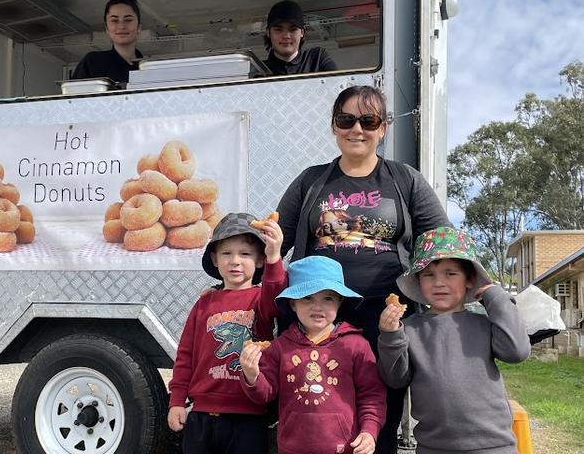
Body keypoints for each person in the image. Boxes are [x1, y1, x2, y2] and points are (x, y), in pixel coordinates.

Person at [276, 85, 451, 454]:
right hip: (320, 316)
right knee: (316, 407)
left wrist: (469, 293)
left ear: (383, 128)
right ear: (334, 126)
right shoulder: (311, 181)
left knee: (379, 412)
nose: (357, 128)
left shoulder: (405, 180)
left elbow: (442, 243)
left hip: (384, 318)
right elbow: (278, 245)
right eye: (346, 119)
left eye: (368, 120)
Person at [378, 227, 531, 454]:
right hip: (433, 447)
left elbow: (517, 352)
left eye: (450, 273)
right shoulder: (409, 328)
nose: (439, 283)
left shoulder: (483, 324)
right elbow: (396, 379)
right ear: (418, 281)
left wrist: (496, 296)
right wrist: (390, 335)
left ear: (469, 279)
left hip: (494, 445)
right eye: (429, 275)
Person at [167, 212, 287, 454]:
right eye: (226, 253)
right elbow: (186, 354)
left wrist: (275, 256)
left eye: (245, 254)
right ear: (214, 258)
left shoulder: (260, 300)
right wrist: (177, 400)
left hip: (249, 414)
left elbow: (276, 299)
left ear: (260, 260)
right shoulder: (204, 303)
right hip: (201, 414)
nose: (235, 261)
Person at [240, 256, 386, 454]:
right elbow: (265, 394)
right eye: (307, 297)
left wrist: (369, 431)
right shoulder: (280, 347)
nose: (317, 306)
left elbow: (371, 395)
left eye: (328, 298)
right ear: (293, 304)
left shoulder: (355, 345)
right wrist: (251, 374)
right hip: (292, 448)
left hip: (345, 448)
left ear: (339, 301)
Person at [72, 0, 143, 84]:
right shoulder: (93, 62)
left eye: (128, 20)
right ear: (107, 28)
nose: (121, 26)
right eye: (114, 20)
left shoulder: (147, 69)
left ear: (139, 27)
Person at [263, 0, 337, 75]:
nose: (286, 36)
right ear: (268, 33)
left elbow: (338, 82)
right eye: (278, 30)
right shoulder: (259, 71)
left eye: (293, 29)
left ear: (302, 32)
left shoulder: (318, 58)